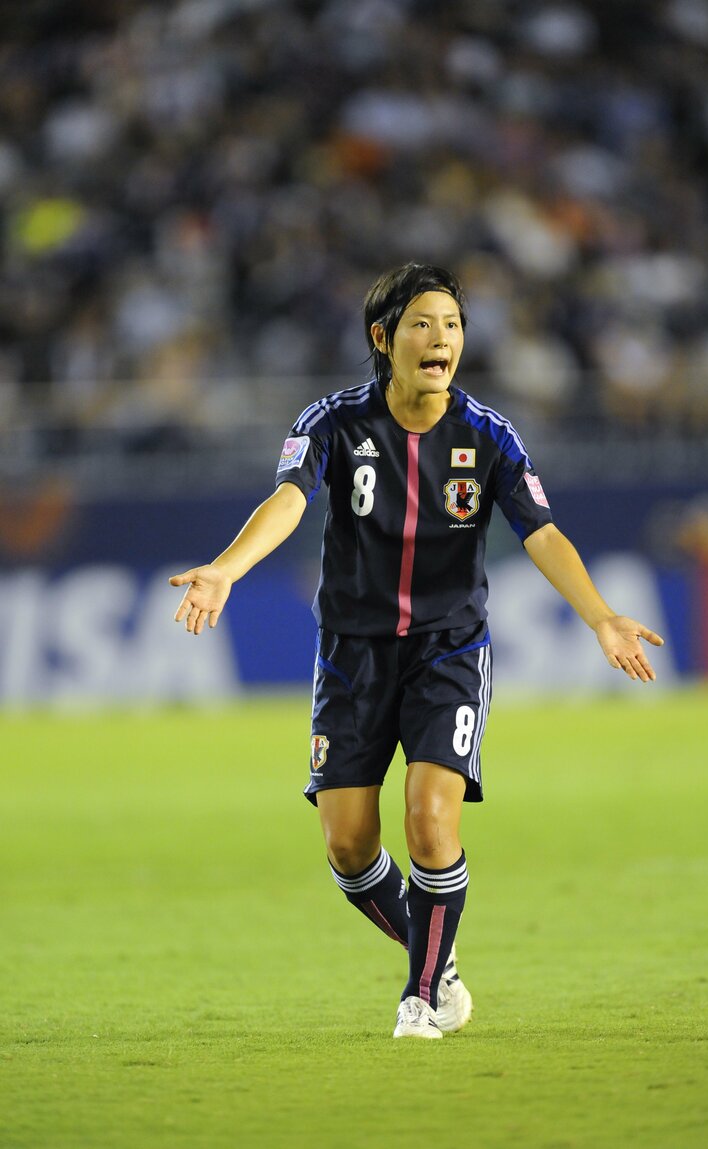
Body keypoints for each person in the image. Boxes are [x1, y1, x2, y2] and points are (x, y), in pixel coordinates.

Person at [170, 262, 664, 1039]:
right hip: (351, 654)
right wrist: (226, 569)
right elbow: (289, 499)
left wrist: (600, 615)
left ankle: (421, 994)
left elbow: (543, 531)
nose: (442, 339)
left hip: (448, 651)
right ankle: (440, 958)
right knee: (346, 843)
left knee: (430, 825)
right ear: (383, 338)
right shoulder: (332, 421)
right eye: (423, 325)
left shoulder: (489, 434)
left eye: (453, 326)